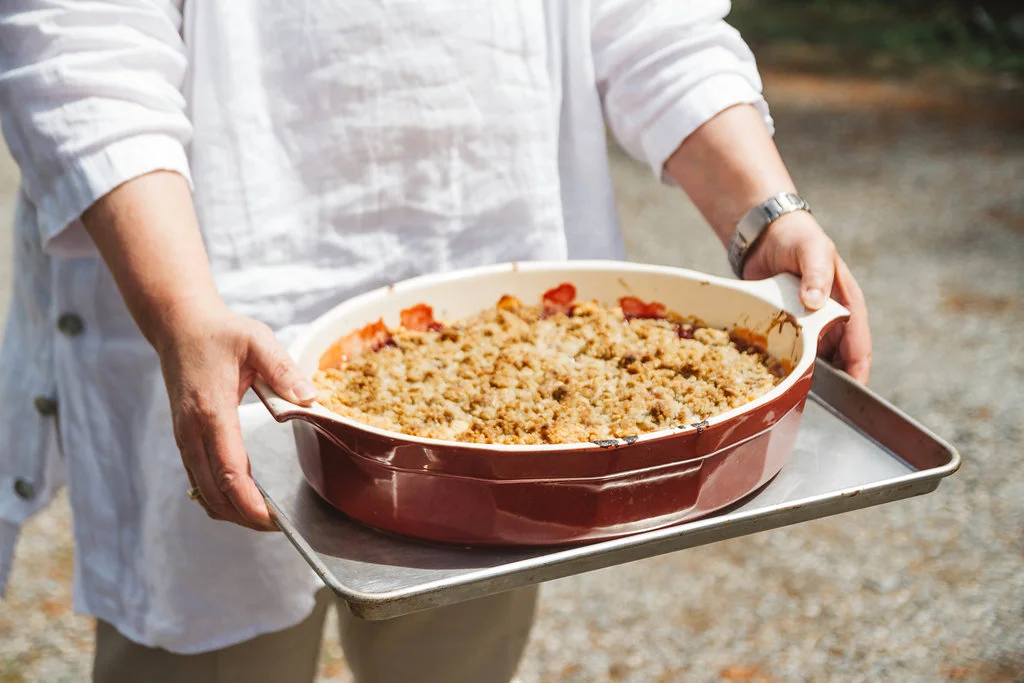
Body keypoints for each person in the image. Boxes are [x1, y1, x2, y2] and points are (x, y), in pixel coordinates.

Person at [0, 1, 871, 681]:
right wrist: (181, 309)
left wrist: (765, 215)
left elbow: (648, 19)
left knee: (460, 651)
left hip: (507, 344)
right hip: (208, 289)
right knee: (208, 638)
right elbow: (82, 40)